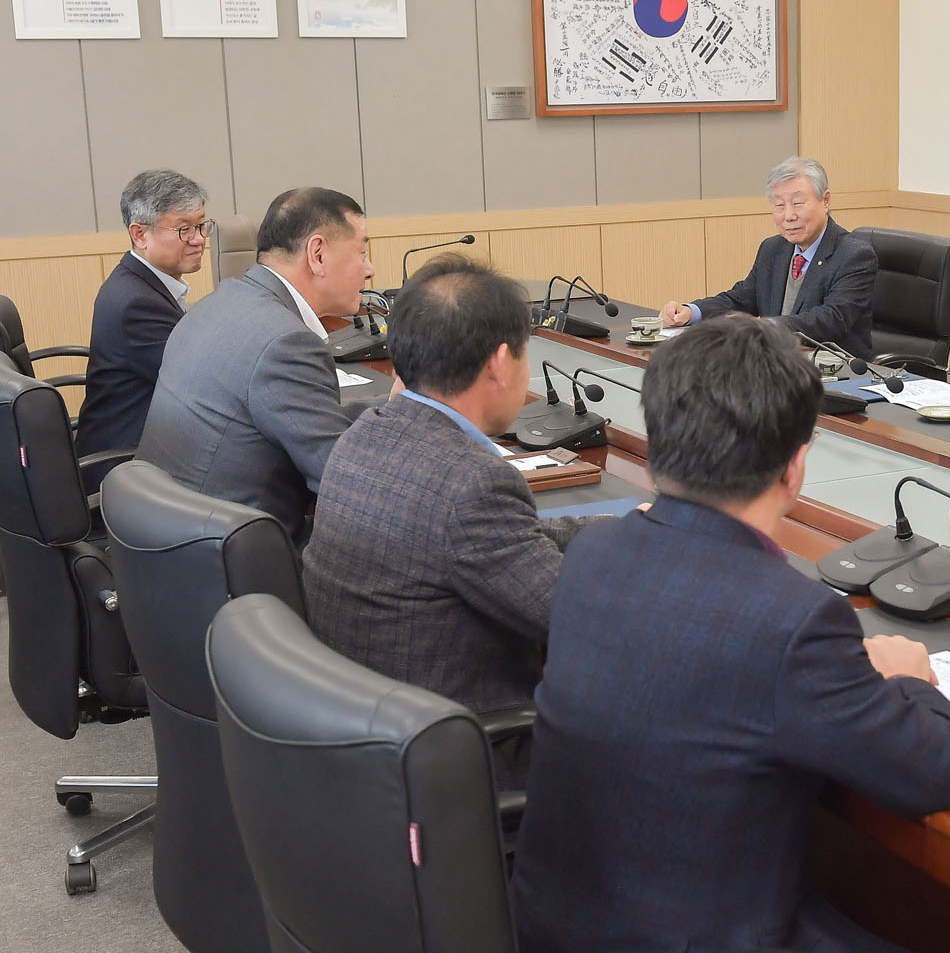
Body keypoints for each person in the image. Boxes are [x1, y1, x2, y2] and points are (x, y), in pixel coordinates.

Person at [511, 314, 950, 953]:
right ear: (795, 468)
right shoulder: (794, 620)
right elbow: (932, 772)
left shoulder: (593, 554)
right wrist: (910, 680)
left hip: (551, 924)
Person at [302, 256, 590, 788]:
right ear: (500, 363)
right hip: (459, 758)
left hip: (367, 742)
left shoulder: (367, 431)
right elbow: (580, 619)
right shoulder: (472, 483)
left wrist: (616, 533)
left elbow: (504, 544)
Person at [137, 186, 386, 545]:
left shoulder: (219, 302)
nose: (370, 270)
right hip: (236, 557)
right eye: (362, 252)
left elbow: (303, 416)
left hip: (167, 542)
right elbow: (345, 481)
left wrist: (394, 408)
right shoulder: (286, 343)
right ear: (317, 254)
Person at [659, 155, 880, 357]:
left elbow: (830, 319)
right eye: (779, 206)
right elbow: (742, 298)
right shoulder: (773, 248)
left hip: (834, 371)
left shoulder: (854, 255)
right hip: (776, 365)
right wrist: (691, 312)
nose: (789, 216)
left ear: (826, 200)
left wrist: (762, 327)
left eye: (798, 204)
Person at [76, 171, 210, 479]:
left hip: (150, 444)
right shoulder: (135, 303)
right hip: (127, 468)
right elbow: (202, 384)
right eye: (184, 229)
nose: (199, 239)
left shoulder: (142, 283)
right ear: (140, 234)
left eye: (201, 225)